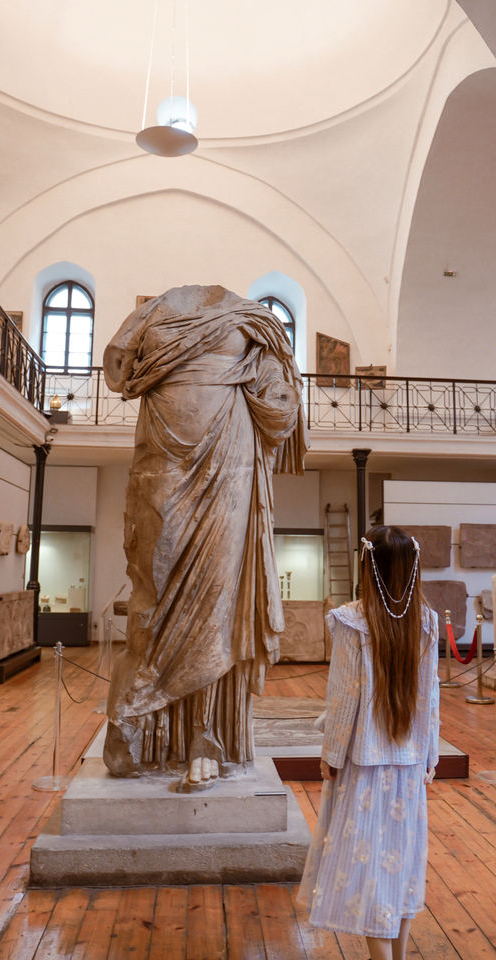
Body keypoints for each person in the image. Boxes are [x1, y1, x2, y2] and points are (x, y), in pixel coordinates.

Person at [101, 284, 306, 785]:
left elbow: (279, 403)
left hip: (227, 463)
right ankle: (140, 729)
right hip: (160, 461)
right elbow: (117, 371)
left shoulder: (252, 318)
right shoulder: (151, 314)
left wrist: (270, 387)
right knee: (153, 595)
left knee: (216, 600)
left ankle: (204, 738)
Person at [297, 525, 440, 960]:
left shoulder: (350, 619)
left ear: (369, 566)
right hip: (409, 763)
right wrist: (430, 755)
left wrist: (330, 756)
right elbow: (430, 696)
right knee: (400, 863)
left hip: (364, 763)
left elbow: (343, 698)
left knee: (369, 869)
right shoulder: (427, 621)